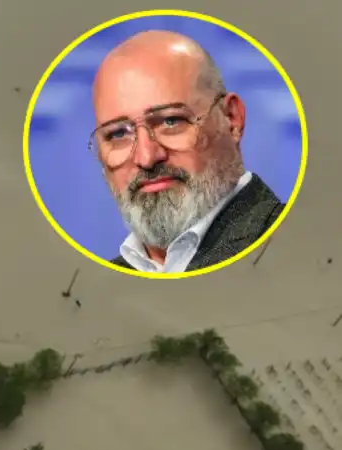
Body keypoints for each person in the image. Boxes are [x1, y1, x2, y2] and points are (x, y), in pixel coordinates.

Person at [90, 30, 285, 273]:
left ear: (232, 119)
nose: (146, 158)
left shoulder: (300, 249)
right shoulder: (95, 289)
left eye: (171, 121)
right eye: (118, 134)